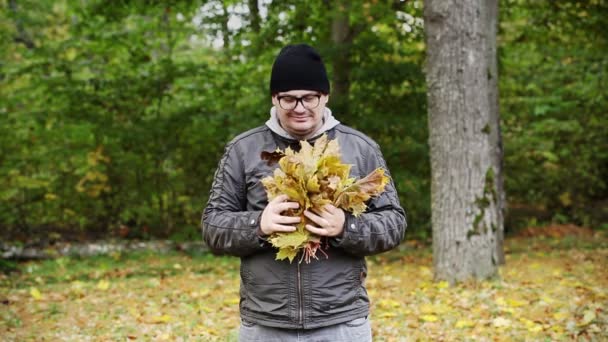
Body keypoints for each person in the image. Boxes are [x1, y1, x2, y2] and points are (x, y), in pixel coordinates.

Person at [202, 43, 406, 341]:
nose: (299, 108)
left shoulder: (360, 148)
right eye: (289, 98)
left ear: (324, 96)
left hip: (341, 322)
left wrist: (345, 226)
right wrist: (257, 224)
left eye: (309, 97)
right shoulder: (243, 150)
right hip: (265, 324)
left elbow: (394, 223)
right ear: (275, 98)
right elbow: (212, 225)